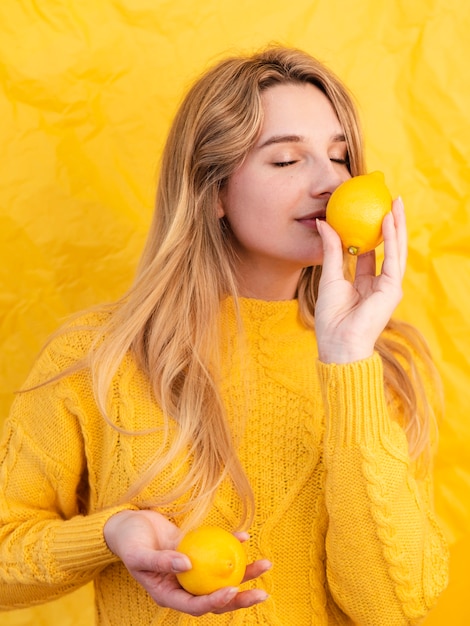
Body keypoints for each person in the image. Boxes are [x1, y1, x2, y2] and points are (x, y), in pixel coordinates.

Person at [0, 45, 449, 625]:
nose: (330, 185)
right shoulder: (99, 354)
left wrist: (347, 360)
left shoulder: (376, 366)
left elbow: (395, 607)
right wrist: (109, 534)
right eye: (287, 161)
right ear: (212, 192)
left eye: (341, 158)